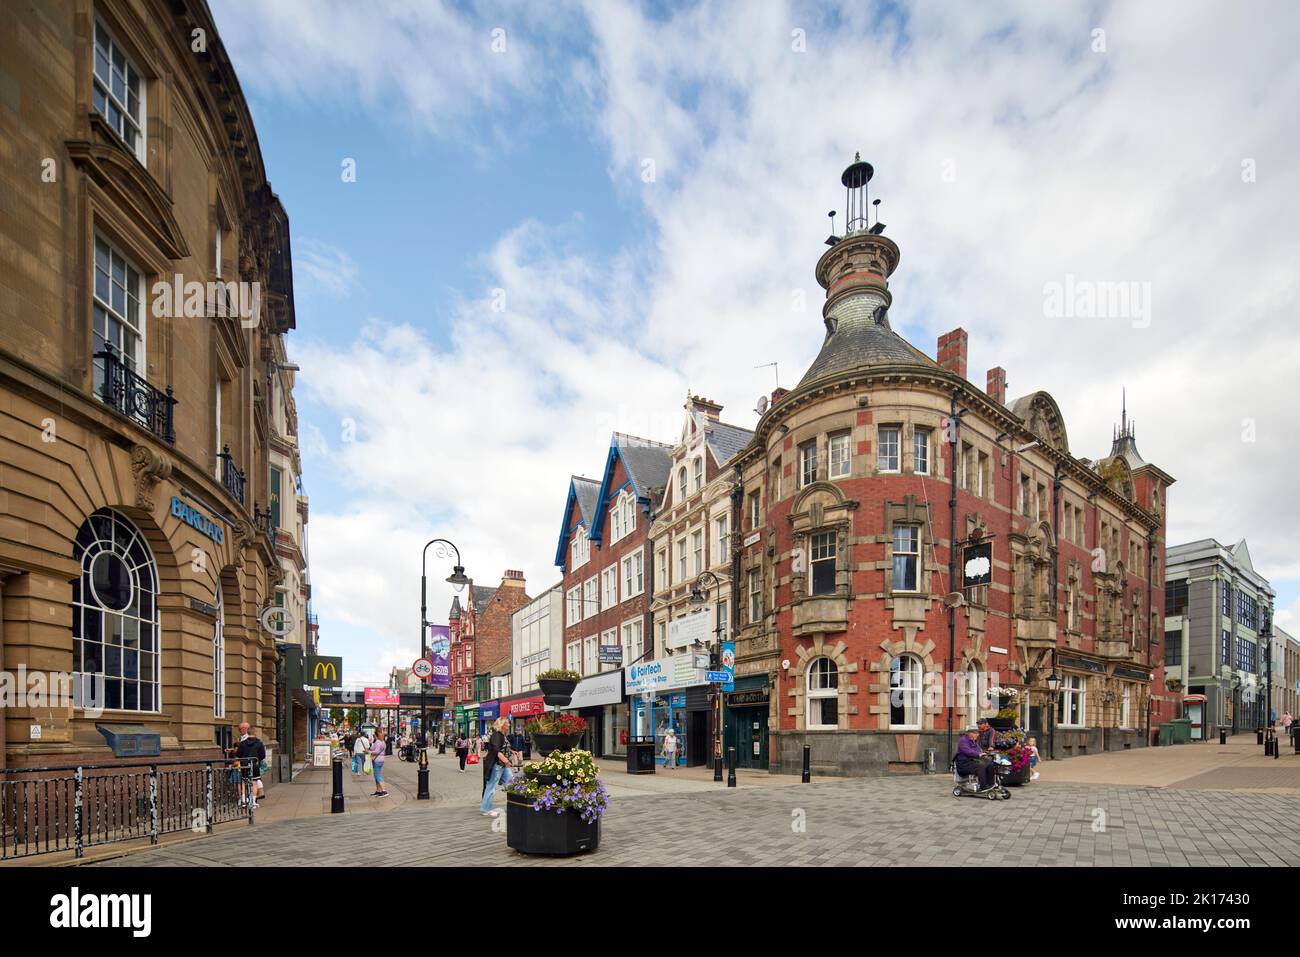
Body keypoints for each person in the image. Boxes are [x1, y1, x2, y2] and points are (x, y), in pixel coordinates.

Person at [480, 717, 515, 816]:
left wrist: (512, 752)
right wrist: (506, 760)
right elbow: (496, 750)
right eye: (507, 723)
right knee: (491, 786)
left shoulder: (502, 735)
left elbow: (502, 748)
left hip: (502, 765)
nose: (509, 724)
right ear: (502, 724)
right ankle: (485, 809)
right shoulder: (496, 735)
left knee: (511, 784)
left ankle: (515, 805)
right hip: (497, 765)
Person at [232, 722, 266, 809]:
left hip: (244, 765)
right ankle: (253, 802)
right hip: (254, 765)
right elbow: (263, 755)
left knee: (244, 782)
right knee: (254, 783)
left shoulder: (242, 743)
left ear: (248, 733)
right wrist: (257, 759)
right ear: (255, 733)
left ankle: (243, 801)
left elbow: (238, 754)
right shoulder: (259, 743)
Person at [955, 725, 995, 791]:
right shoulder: (963, 741)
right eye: (976, 733)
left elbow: (979, 751)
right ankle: (983, 786)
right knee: (981, 766)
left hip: (972, 762)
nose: (977, 735)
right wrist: (978, 754)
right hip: (963, 765)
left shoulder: (974, 741)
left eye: (977, 733)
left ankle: (990, 784)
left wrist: (985, 753)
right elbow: (967, 751)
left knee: (989, 764)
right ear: (969, 733)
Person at [369, 729, 389, 796]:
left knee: (377, 776)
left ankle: (384, 791)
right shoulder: (383, 742)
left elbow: (376, 751)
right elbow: (373, 748)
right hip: (381, 760)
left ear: (376, 735)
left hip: (377, 760)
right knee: (376, 775)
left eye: (374, 735)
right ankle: (378, 791)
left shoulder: (377, 742)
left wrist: (369, 752)